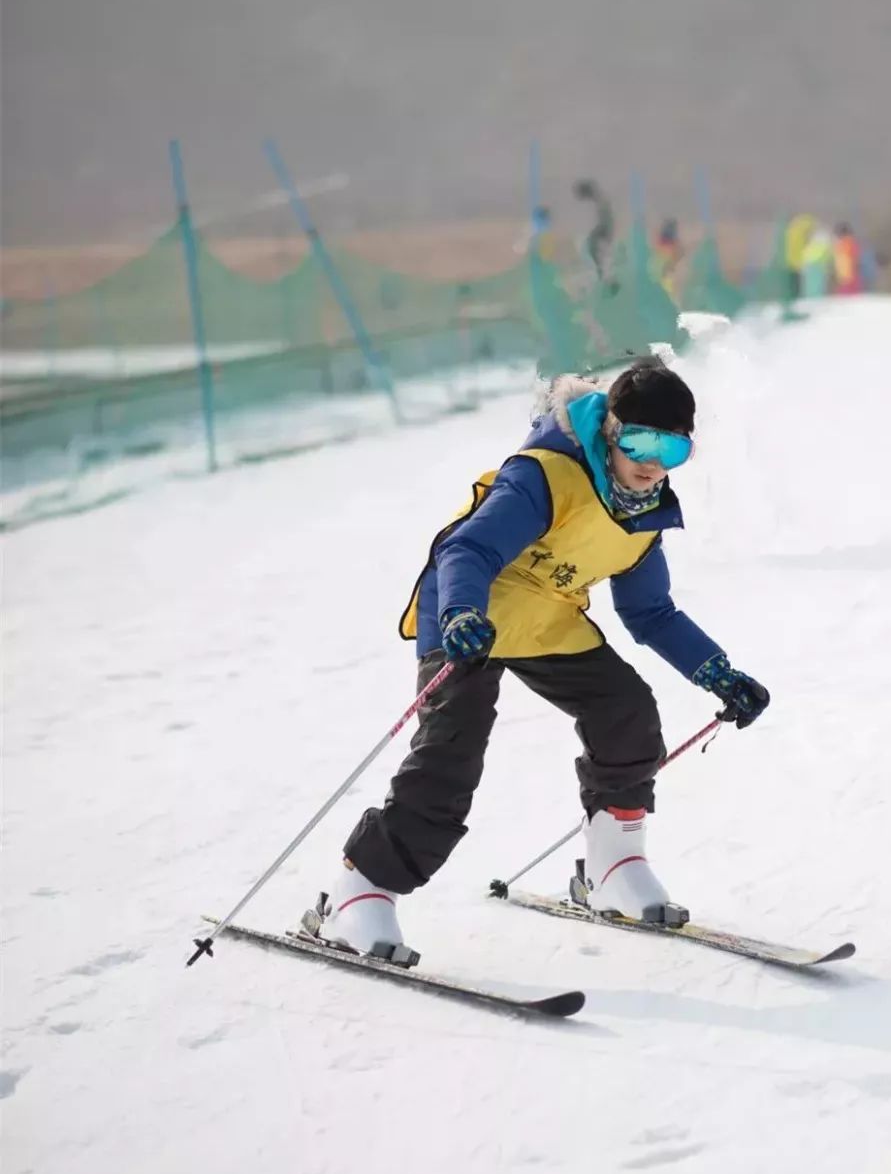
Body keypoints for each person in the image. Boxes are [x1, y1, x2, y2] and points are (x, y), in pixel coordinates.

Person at [317, 357, 770, 958]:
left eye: (673, 449)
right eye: (638, 440)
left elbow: (650, 612)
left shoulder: (644, 515)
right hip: (467, 614)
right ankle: (358, 893)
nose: (652, 463)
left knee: (626, 712)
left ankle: (614, 868)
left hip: (546, 617)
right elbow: (469, 549)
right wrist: (460, 614)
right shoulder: (545, 476)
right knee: (453, 746)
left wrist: (718, 671)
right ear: (610, 431)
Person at [573, 178, 615, 283]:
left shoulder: (600, 267)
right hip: (603, 234)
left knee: (595, 250)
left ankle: (589, 191)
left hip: (602, 235)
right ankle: (589, 191)